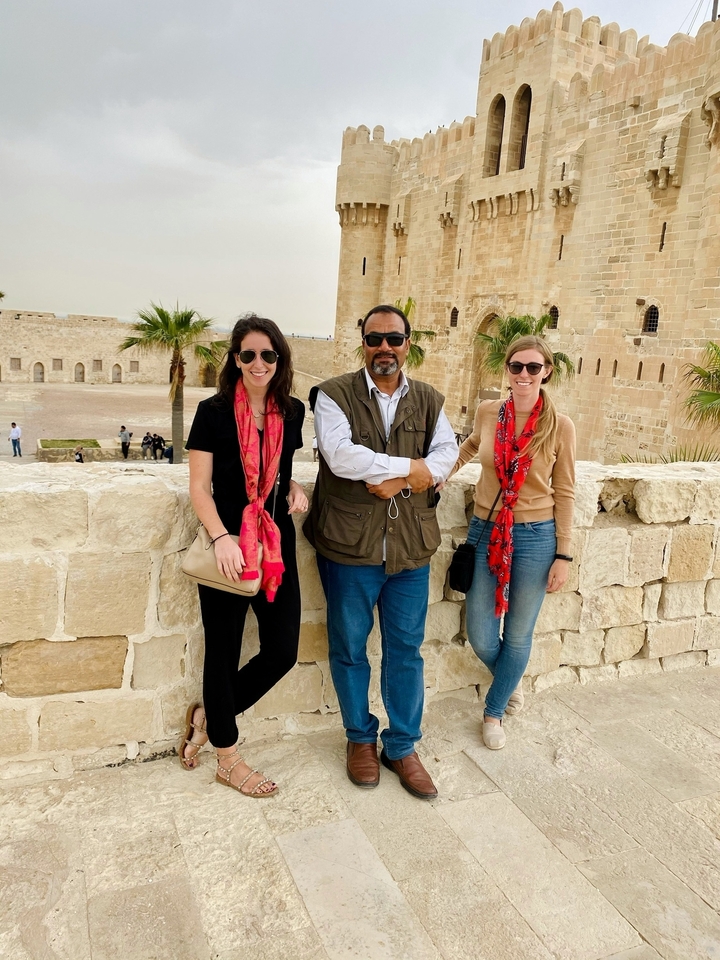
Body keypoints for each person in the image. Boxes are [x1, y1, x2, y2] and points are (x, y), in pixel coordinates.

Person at [303, 304, 457, 800]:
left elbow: (447, 454)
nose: (384, 348)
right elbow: (340, 456)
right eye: (374, 339)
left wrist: (402, 481)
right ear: (363, 344)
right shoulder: (333, 395)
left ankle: (402, 746)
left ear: (407, 344)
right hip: (350, 548)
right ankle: (359, 738)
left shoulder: (428, 399)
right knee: (350, 648)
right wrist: (409, 470)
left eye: (394, 338)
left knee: (406, 651)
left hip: (410, 548)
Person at [182, 313, 308, 797]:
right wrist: (221, 538)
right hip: (229, 548)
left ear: (279, 359)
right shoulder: (212, 412)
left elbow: (279, 471)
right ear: (235, 359)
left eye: (268, 354)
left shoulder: (291, 411)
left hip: (274, 546)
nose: (259, 363)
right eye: (249, 354)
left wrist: (293, 487)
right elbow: (199, 488)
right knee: (223, 651)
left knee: (282, 651)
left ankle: (211, 717)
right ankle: (227, 758)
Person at [451, 336, 576, 751]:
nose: (524, 374)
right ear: (506, 370)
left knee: (519, 634)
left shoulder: (559, 426)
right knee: (481, 635)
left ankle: (494, 710)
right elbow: (471, 445)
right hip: (485, 530)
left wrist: (563, 553)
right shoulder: (489, 412)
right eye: (516, 366)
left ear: (546, 372)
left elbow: (565, 491)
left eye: (533, 367)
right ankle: (511, 678)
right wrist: (442, 474)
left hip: (537, 536)